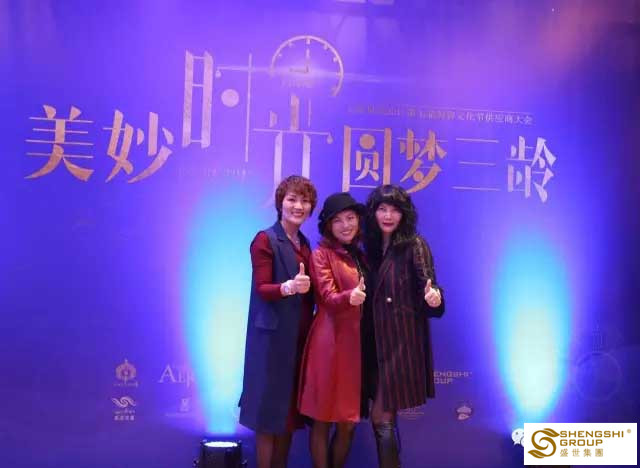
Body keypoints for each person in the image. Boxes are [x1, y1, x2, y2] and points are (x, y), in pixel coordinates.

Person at [362, 184, 445, 468]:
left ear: (404, 214)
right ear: (373, 213)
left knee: (381, 415)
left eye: (395, 210)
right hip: (374, 341)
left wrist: (434, 298)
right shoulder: (370, 246)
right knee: (385, 415)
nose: (388, 216)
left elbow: (430, 288)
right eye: (382, 209)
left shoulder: (415, 245)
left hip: (401, 343)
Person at [238, 175, 317, 468]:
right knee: (268, 414)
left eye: (304, 201)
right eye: (292, 199)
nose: (298, 206)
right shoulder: (265, 239)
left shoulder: (305, 244)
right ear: (280, 203)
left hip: (299, 339)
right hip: (271, 342)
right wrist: (288, 287)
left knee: (288, 416)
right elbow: (262, 288)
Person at [298, 192, 367, 468]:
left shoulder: (359, 255)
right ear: (328, 226)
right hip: (329, 343)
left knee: (348, 422)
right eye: (338, 220)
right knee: (323, 418)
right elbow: (327, 297)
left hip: (355, 345)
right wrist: (350, 297)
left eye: (350, 218)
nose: (346, 225)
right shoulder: (320, 254)